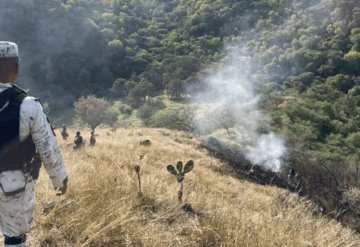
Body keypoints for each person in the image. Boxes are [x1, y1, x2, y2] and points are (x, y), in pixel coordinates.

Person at [0, 41, 68, 247]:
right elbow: (49, 149)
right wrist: (60, 180)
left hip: (14, 183)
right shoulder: (28, 106)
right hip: (14, 184)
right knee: (15, 237)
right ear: (16, 68)